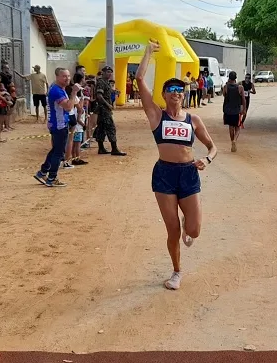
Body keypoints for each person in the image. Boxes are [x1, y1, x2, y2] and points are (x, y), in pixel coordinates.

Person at [135, 40, 217, 290]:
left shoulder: (194, 119)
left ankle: (186, 225)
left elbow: (213, 147)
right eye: (170, 89)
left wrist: (207, 159)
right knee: (172, 230)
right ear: (164, 95)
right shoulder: (156, 115)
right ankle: (177, 272)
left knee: (194, 230)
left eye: (179, 90)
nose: (175, 92)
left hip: (189, 173)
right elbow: (139, 80)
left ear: (184, 95)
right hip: (164, 175)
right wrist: (148, 51)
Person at [33, 68, 77, 188]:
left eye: (68, 76)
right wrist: (74, 93)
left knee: (55, 150)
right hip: (59, 125)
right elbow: (68, 107)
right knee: (58, 152)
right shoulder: (56, 91)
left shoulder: (59, 89)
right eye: (64, 76)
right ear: (57, 77)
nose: (67, 78)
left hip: (58, 123)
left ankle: (42, 172)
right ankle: (51, 177)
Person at [94, 66, 126, 156]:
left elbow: (107, 91)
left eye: (110, 72)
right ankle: (114, 148)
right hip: (104, 109)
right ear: (103, 72)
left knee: (101, 128)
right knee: (111, 128)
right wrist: (107, 104)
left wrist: (114, 91)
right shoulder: (101, 82)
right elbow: (99, 96)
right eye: (107, 72)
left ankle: (101, 148)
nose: (109, 74)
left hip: (103, 109)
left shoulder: (106, 82)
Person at [222, 71, 246, 152]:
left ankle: (232, 141)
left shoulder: (225, 87)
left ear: (229, 78)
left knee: (231, 127)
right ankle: (235, 140)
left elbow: (224, 95)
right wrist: (244, 109)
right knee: (238, 127)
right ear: (235, 78)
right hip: (237, 110)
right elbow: (243, 99)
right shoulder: (240, 87)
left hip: (227, 110)